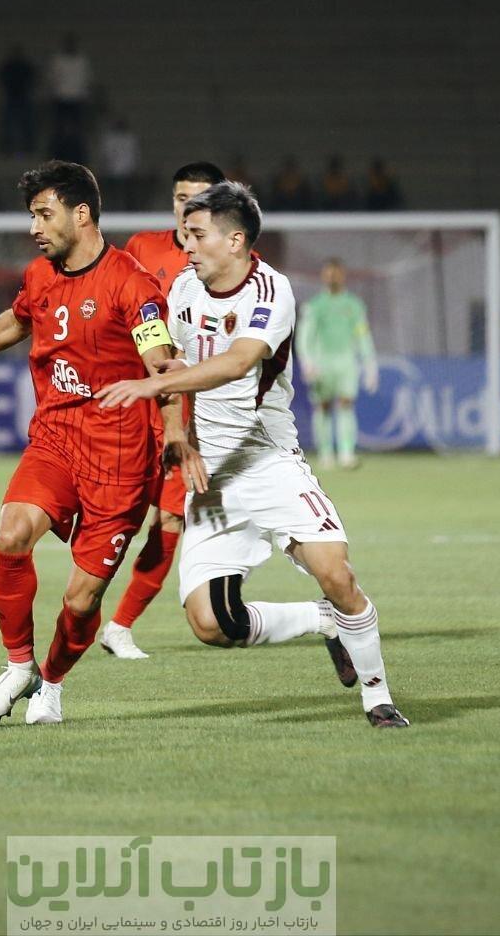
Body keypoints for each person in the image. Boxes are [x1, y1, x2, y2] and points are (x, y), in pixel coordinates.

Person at [96, 182, 409, 729]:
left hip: (268, 461)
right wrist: (178, 435)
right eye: (185, 234)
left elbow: (239, 362)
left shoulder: (271, 290)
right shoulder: (184, 290)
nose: (186, 245)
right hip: (212, 478)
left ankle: (377, 696)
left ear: (235, 240)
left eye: (198, 235)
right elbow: (171, 367)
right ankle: (324, 621)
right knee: (210, 624)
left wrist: (153, 385)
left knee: (336, 573)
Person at [0, 160, 204, 726]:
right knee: (12, 534)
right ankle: (18, 664)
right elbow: (18, 319)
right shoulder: (40, 274)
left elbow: (162, 365)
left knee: (80, 600)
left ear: (81, 213)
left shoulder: (131, 284)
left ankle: (52, 682)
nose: (34, 227)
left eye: (44, 214)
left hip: (120, 460)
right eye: (32, 216)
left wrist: (174, 433)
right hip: (56, 439)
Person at [97, 160, 226, 660]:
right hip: (131, 404)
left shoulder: (232, 263)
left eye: (199, 199)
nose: (187, 208)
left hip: (188, 411)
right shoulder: (141, 249)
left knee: (171, 519)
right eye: (180, 198)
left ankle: (119, 626)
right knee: (115, 515)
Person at [298, 259, 377, 469]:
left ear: (343, 276)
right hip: (322, 362)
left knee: (346, 404)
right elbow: (305, 336)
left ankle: (346, 453)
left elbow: (362, 335)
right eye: (329, 274)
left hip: (346, 362)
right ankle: (325, 453)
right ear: (323, 276)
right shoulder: (314, 306)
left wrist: (369, 364)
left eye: (336, 273)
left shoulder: (354, 305)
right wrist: (307, 361)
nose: (332, 277)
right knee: (323, 406)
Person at [0, 44, 37, 155]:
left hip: (23, 96)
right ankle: (7, 147)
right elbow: (2, 78)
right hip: (11, 97)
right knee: (8, 124)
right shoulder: (8, 66)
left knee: (27, 123)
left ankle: (29, 147)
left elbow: (32, 79)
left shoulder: (26, 66)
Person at [98, 117, 141, 211]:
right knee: (114, 195)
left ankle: (125, 209)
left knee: (125, 195)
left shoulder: (129, 138)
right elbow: (106, 155)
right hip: (114, 172)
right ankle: (114, 209)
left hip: (125, 172)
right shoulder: (110, 139)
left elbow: (134, 155)